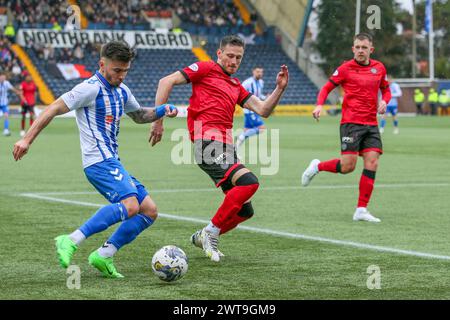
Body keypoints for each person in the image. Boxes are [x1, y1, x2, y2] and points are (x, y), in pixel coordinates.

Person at [13, 41, 178, 278]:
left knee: (149, 211)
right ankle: (70, 240)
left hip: (113, 161)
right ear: (102, 64)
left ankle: (104, 255)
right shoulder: (88, 89)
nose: (121, 76)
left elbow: (140, 115)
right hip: (98, 162)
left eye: (125, 71)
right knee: (131, 205)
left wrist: (163, 110)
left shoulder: (122, 91)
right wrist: (26, 140)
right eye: (116, 70)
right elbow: (52, 109)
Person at [151, 35, 289, 262]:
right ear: (219, 54)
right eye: (230, 56)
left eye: (239, 57)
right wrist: (158, 120)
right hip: (207, 143)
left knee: (245, 211)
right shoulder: (205, 69)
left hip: (226, 147)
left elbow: (263, 109)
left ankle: (202, 236)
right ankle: (211, 232)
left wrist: (279, 88)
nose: (234, 61)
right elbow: (165, 81)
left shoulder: (236, 86)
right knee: (249, 182)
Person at [301, 33, 391, 223]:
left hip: (371, 124)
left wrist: (385, 101)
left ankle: (361, 209)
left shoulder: (379, 68)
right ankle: (317, 166)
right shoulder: (345, 68)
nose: (360, 50)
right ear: (353, 49)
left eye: (364, 47)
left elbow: (386, 89)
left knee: (372, 162)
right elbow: (326, 88)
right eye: (357, 47)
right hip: (350, 124)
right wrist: (319, 105)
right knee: (348, 166)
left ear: (370, 50)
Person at [235, 66, 266, 150]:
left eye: (261, 72)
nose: (259, 73)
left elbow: (259, 95)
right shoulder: (247, 83)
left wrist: (265, 97)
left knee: (246, 129)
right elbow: (238, 92)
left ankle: (235, 149)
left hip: (256, 110)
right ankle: (240, 137)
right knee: (261, 128)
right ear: (253, 72)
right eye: (257, 71)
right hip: (249, 110)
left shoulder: (261, 82)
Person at [0, 72, 24, 136]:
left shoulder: (6, 83)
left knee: (6, 116)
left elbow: (12, 88)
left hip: (4, 103)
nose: (3, 78)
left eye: (4, 77)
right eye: (1, 77)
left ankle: (6, 130)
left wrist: (18, 92)